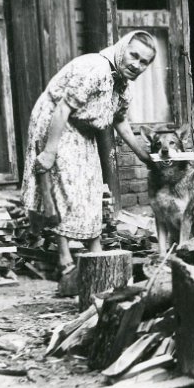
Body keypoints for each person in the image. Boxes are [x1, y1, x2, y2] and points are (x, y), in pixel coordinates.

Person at [21, 31, 156, 294]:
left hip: (81, 129)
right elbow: (62, 109)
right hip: (56, 123)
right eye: (134, 56)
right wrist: (49, 153)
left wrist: (144, 156)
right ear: (122, 49)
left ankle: (96, 256)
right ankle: (65, 260)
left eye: (144, 62)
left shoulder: (121, 84)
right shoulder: (94, 68)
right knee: (68, 186)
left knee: (92, 186)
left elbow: (120, 122)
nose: (137, 65)